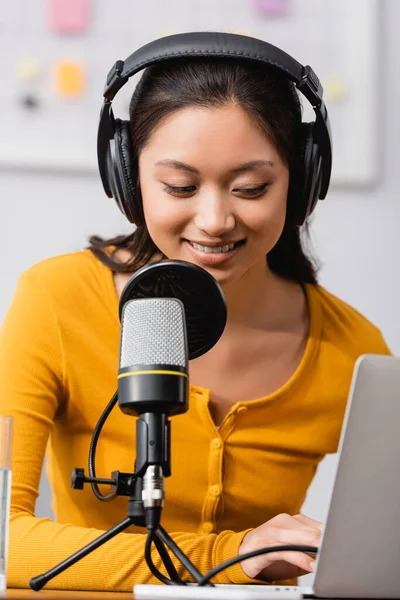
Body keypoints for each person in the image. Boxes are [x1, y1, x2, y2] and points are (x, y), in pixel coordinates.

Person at [0, 32, 391, 592]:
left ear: (300, 183)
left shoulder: (354, 350)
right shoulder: (57, 299)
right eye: (179, 185)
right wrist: (231, 555)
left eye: (251, 188)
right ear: (129, 179)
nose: (214, 220)